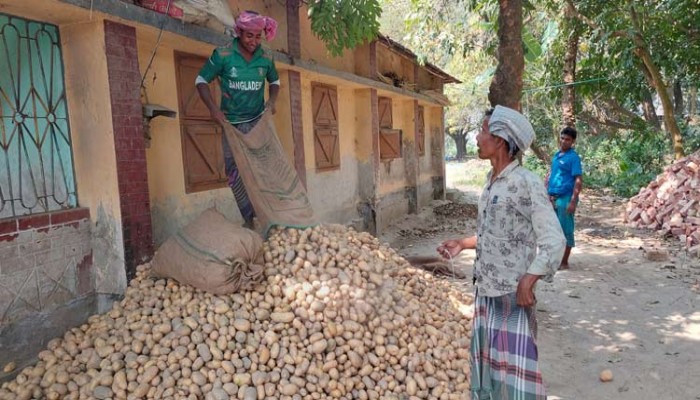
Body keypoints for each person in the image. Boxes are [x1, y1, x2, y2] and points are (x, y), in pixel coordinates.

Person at [437, 106, 565, 400]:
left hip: (511, 296)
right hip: (485, 292)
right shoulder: (491, 182)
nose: (478, 138)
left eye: (483, 131)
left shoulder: (525, 183)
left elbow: (554, 240)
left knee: (515, 379)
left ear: (501, 139)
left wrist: (528, 281)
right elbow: (495, 235)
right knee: (490, 371)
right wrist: (463, 243)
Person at [195, 10, 280, 229]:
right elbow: (201, 80)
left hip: (258, 122)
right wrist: (214, 109)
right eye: (249, 35)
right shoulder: (223, 55)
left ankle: (270, 215)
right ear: (239, 33)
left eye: (258, 36)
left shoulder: (266, 57)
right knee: (234, 171)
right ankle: (248, 218)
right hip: (231, 124)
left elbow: (275, 82)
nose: (254, 41)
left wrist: (272, 102)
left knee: (262, 168)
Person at [547, 127, 583, 269]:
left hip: (565, 198)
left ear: (573, 141)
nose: (564, 141)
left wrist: (573, 201)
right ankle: (555, 260)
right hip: (553, 198)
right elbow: (552, 175)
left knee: (566, 230)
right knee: (554, 230)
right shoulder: (557, 155)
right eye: (562, 138)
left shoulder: (573, 158)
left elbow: (578, 180)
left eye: (567, 139)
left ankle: (564, 262)